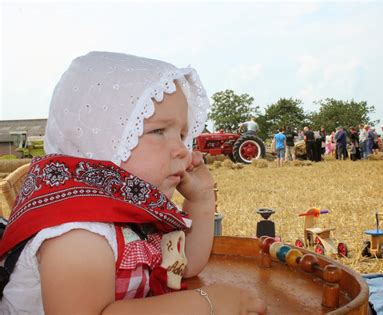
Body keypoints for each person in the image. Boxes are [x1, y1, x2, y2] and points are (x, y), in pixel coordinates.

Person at [0, 52, 266, 314]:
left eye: (183, 134)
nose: (183, 149)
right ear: (102, 140)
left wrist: (201, 199)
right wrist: (206, 303)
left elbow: (183, 267)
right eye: (159, 131)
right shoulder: (79, 232)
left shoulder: (133, 214)